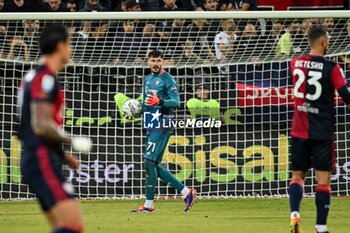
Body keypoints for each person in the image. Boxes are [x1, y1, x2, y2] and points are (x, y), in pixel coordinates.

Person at [17, 24, 92, 233]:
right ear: (60, 46)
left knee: (64, 226)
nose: (72, 48)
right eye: (70, 43)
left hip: (39, 156)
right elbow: (40, 125)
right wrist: (73, 141)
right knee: (72, 225)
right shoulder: (45, 79)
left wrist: (62, 153)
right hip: (41, 158)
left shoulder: (34, 77)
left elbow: (31, 123)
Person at [289, 25, 350, 233]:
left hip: (298, 130)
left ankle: (294, 214)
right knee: (322, 181)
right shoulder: (332, 68)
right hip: (322, 131)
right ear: (323, 42)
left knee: (297, 176)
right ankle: (321, 227)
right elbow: (347, 98)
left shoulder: (295, 63)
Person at [128, 50, 196, 212]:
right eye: (153, 60)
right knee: (152, 164)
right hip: (150, 124)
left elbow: (177, 102)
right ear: (148, 62)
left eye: (159, 60)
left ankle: (149, 204)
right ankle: (186, 192)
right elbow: (145, 104)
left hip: (163, 124)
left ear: (163, 62)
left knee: (148, 162)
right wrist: (134, 112)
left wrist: (161, 101)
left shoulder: (168, 79)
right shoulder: (147, 79)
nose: (156, 63)